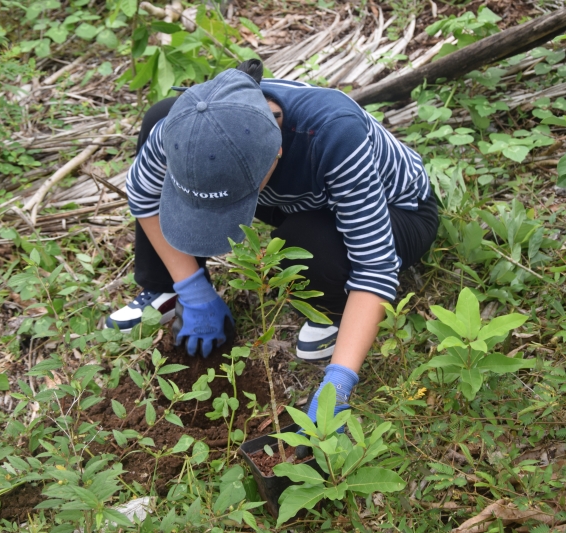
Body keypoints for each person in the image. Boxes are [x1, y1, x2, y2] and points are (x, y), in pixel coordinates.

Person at [107, 60, 438, 425]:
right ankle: (164, 289)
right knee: (159, 111)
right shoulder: (183, 125)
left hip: (398, 212)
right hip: (289, 199)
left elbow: (375, 266)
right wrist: (191, 288)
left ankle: (334, 309)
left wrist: (339, 383)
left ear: (275, 156)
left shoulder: (334, 136)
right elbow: (143, 195)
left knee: (305, 244)